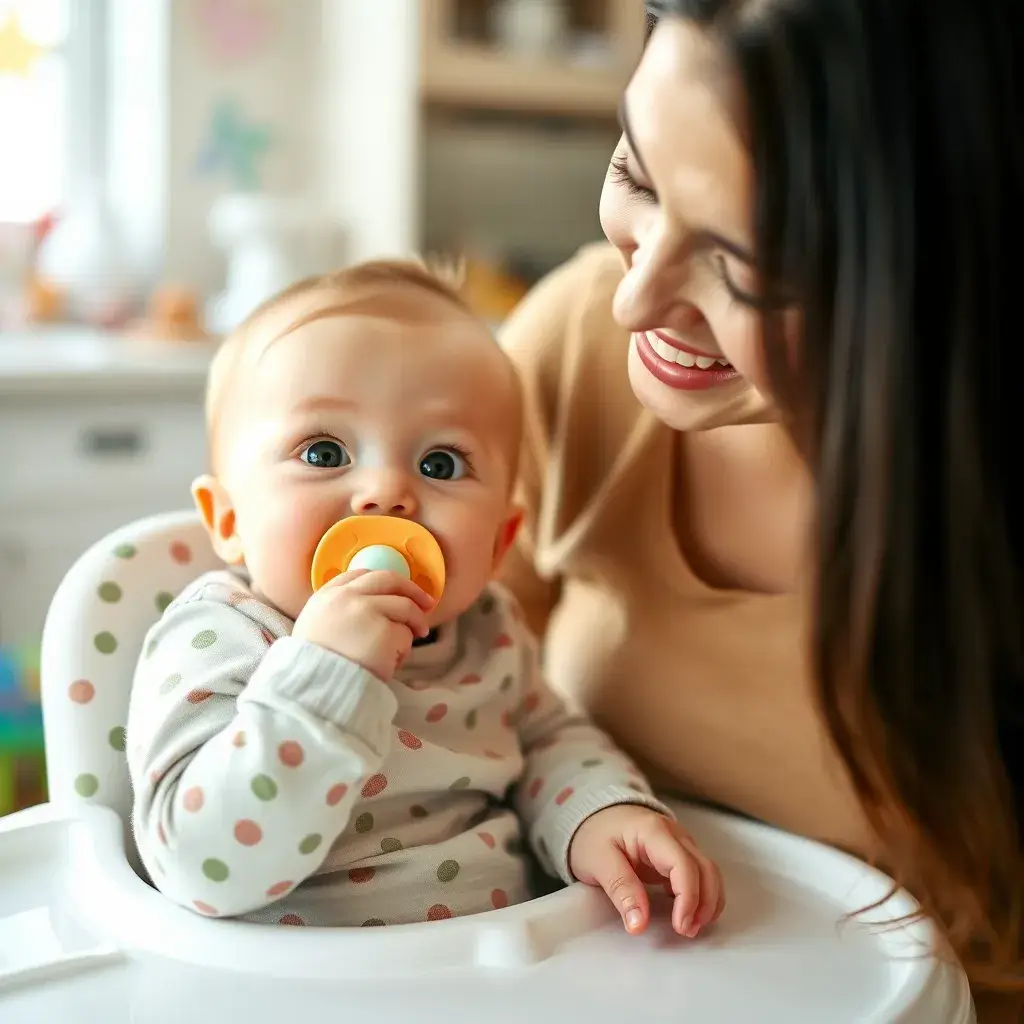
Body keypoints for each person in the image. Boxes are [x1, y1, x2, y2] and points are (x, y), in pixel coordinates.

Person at [498, 0, 1023, 1017]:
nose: (635, 300)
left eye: (746, 268)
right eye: (636, 176)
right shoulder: (571, 346)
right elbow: (436, 697)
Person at [125, 259, 724, 934]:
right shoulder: (221, 636)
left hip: (504, 962)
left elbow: (549, 745)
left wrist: (599, 813)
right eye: (324, 453)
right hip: (304, 977)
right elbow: (198, 866)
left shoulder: (489, 633)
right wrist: (324, 679)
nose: (387, 491)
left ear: (499, 544)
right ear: (229, 519)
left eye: (440, 463)